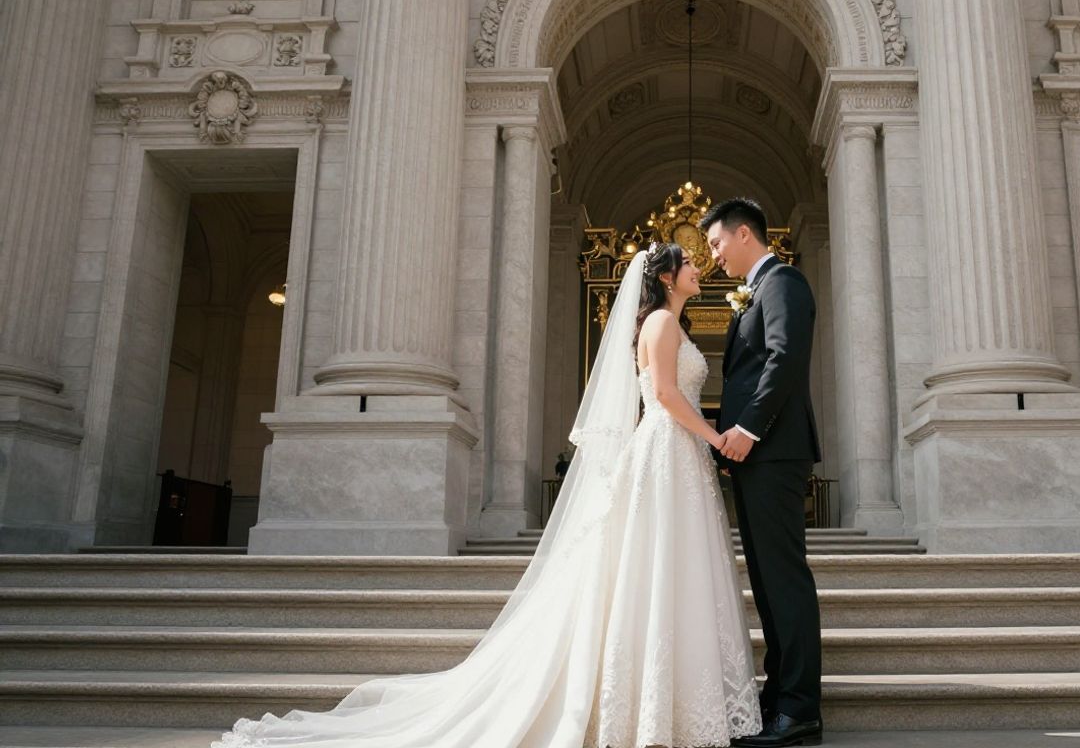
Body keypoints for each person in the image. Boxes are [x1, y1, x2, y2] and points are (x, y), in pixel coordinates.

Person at [213, 242, 762, 748]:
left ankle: (666, 702)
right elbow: (664, 393)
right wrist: (715, 436)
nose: (698, 269)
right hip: (668, 449)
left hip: (674, 454)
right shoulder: (663, 323)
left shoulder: (668, 320)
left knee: (665, 568)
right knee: (662, 564)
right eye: (689, 263)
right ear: (667, 276)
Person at [705, 198, 823, 748]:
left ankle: (799, 708)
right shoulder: (758, 289)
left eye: (716, 243)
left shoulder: (783, 283)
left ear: (744, 233)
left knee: (784, 580)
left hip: (773, 452)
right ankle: (779, 698)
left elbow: (784, 359)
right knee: (768, 584)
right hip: (756, 457)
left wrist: (747, 429)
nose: (713, 255)